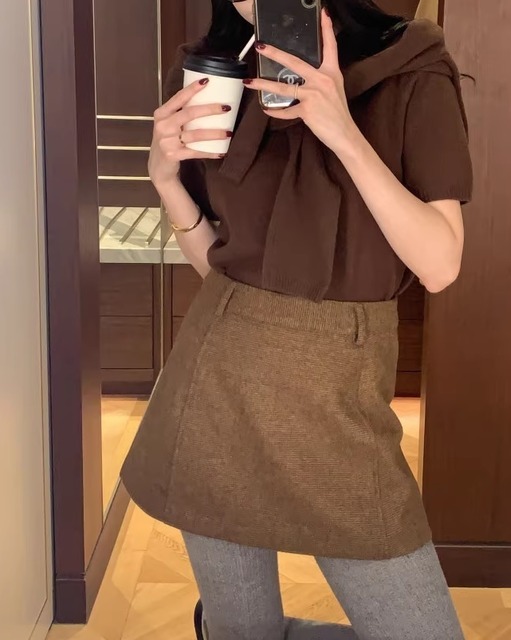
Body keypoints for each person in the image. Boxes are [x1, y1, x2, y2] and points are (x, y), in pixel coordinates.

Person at [121, 0, 473, 638]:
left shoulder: (411, 66)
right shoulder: (215, 71)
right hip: (215, 390)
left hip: (339, 401)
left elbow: (440, 264)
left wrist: (342, 131)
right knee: (243, 631)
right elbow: (224, 269)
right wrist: (166, 180)